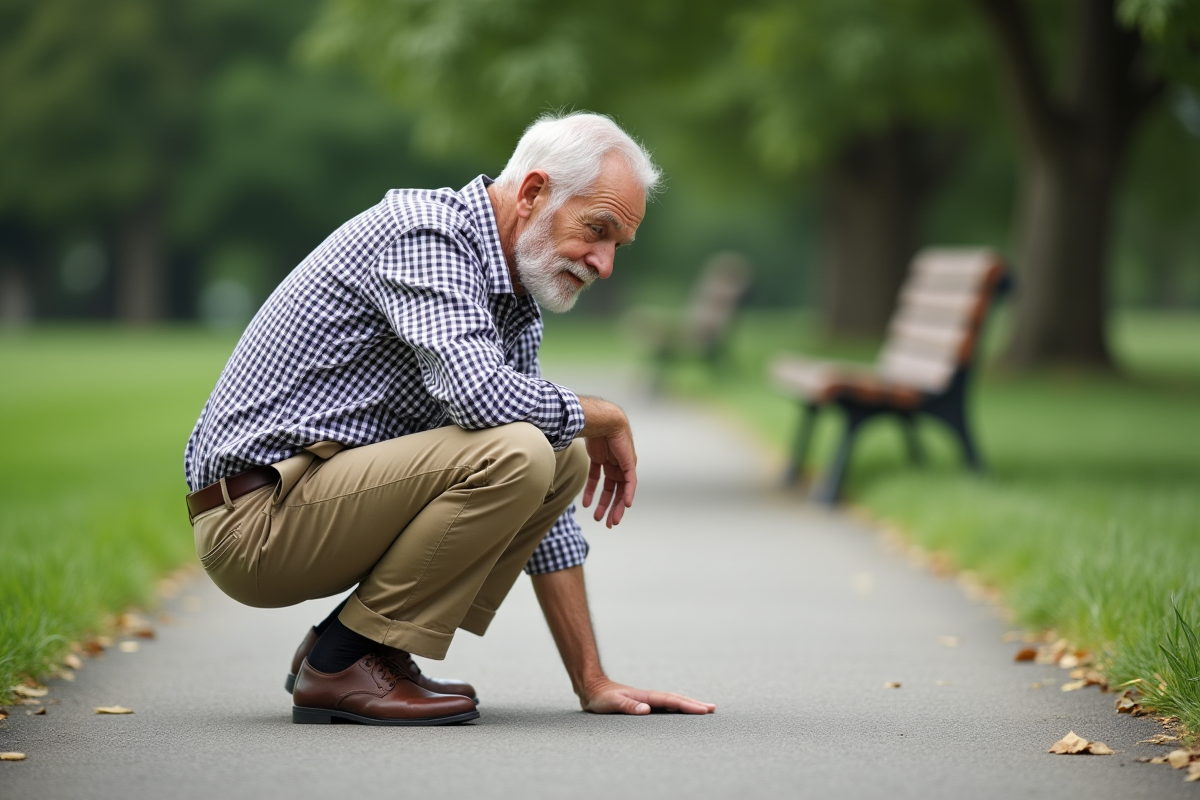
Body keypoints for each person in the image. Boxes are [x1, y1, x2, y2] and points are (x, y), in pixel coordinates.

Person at [183, 111, 716, 727]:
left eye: (616, 246)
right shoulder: (426, 234)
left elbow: (547, 509)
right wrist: (606, 414)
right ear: (534, 192)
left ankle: (353, 651)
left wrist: (591, 680)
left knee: (556, 450)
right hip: (254, 522)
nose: (604, 264)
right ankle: (342, 664)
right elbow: (483, 401)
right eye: (596, 230)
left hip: (314, 507)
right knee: (522, 447)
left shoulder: (513, 297)